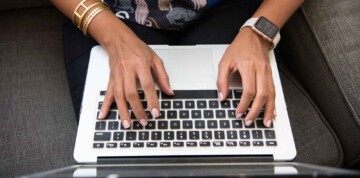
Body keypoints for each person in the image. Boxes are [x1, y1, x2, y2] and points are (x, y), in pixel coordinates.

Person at [50, 0, 304, 129]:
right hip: (112, 13)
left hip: (231, 10)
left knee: (243, 147)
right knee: (123, 148)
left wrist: (259, 32)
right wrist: (113, 38)